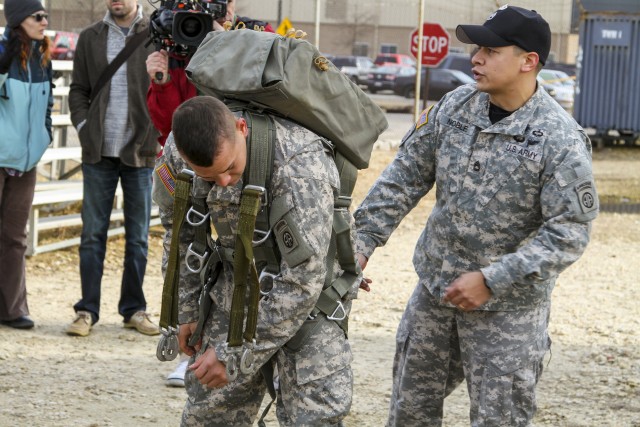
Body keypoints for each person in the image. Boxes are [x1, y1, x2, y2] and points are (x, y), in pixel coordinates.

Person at [353, 5, 599, 426]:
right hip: (435, 293)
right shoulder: (455, 107)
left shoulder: (559, 138)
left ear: (528, 61)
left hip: (509, 313)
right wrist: (359, 244)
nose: (475, 59)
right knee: (409, 413)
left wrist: (493, 279)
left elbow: (568, 233)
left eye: (490, 50)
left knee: (497, 419)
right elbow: (403, 178)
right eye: (476, 49)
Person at [153, 96, 357, 425]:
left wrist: (232, 353)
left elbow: (304, 279)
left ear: (241, 128)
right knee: (210, 414)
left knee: (313, 417)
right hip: (236, 287)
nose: (222, 182)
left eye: (230, 168)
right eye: (209, 177)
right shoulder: (177, 154)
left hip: (311, 299)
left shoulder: (299, 166)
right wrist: (186, 309)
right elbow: (180, 236)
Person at [146, 0, 273, 386]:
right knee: (201, 250)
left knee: (262, 259)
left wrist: (229, 44)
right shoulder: (175, 47)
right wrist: (162, 82)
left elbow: (277, 93)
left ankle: (263, 351)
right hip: (197, 167)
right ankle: (201, 348)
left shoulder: (254, 35)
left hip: (251, 162)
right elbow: (174, 126)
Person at [66, 0, 160, 337]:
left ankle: (134, 309)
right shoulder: (90, 36)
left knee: (137, 238)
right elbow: (78, 89)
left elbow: (166, 87)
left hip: (141, 151)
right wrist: (82, 126)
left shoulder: (156, 34)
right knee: (92, 235)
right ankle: (86, 310)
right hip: (98, 153)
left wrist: (158, 132)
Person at [145, 0, 274, 149]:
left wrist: (227, 43)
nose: (226, 10)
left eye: (229, 2)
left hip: (244, 148)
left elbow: (270, 92)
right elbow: (168, 125)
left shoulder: (257, 31)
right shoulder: (179, 38)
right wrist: (162, 83)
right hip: (190, 150)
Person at [0, 0, 53, 330]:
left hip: (27, 160)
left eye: (45, 15)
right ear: (20, 19)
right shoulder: (3, 51)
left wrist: (44, 135)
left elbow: (47, 103)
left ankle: (12, 308)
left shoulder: (43, 58)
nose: (45, 21)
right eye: (38, 16)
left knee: (15, 236)